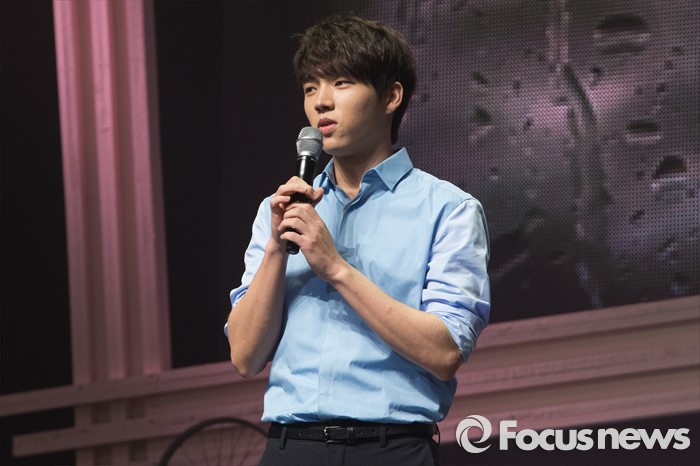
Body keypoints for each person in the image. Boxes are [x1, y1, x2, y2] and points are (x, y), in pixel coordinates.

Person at [226, 13, 490, 466]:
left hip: (391, 449)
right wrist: (275, 250)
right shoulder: (281, 211)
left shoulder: (449, 209)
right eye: (310, 88)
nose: (321, 103)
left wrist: (335, 268)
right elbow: (245, 357)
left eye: (341, 83)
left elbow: (445, 351)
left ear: (391, 97)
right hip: (290, 448)